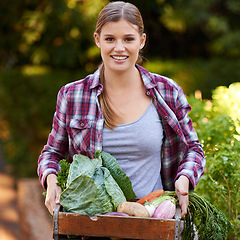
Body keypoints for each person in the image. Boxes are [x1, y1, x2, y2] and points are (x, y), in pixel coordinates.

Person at [37, 1, 205, 219]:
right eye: (110, 39)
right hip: (92, 223)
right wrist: (51, 180)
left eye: (128, 39)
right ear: (97, 40)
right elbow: (52, 153)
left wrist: (184, 178)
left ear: (141, 41)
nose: (119, 48)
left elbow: (194, 148)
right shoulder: (73, 95)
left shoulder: (167, 91)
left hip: (152, 218)